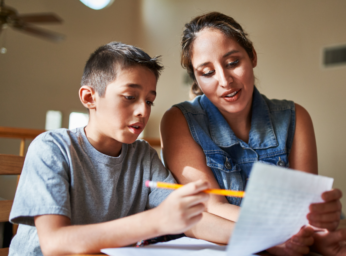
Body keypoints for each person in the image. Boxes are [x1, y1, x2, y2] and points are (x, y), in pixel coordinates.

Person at [160, 12, 346, 255]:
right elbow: (211, 207)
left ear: (252, 56)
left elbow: (306, 212)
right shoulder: (179, 121)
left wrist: (321, 238)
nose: (225, 80)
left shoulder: (296, 118)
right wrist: (278, 236)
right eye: (207, 73)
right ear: (197, 79)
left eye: (232, 63)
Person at [8, 42, 209, 255]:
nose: (143, 110)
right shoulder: (51, 148)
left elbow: (192, 220)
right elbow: (55, 244)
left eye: (149, 101)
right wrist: (156, 221)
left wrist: (245, 233)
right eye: (130, 97)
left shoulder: (143, 156)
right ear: (89, 98)